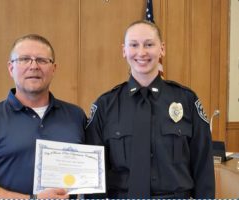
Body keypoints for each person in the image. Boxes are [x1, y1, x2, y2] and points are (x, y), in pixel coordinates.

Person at [85, 20, 215, 199]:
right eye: (134, 45)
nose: (141, 52)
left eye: (149, 44)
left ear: (162, 49)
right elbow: (93, 177)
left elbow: (203, 167)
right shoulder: (105, 105)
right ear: (124, 50)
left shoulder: (187, 100)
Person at [0, 34, 86, 198]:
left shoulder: (76, 116)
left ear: (53, 68)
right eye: (24, 59)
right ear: (11, 68)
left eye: (42, 60)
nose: (34, 66)